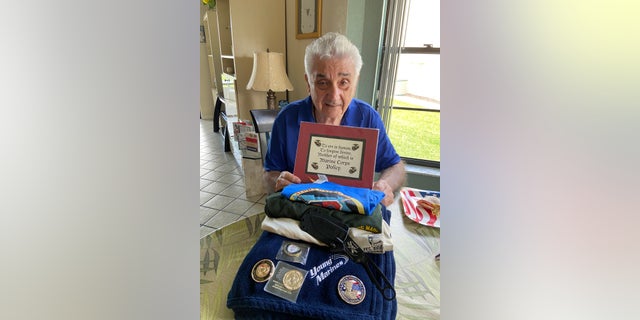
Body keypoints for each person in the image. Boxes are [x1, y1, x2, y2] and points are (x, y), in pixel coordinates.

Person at [263, 32, 405, 206]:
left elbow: (396, 166)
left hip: (353, 217)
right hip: (299, 213)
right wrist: (279, 180)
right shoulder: (287, 118)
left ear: (355, 82)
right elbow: (270, 173)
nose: (334, 96)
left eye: (344, 82)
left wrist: (385, 185)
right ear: (308, 83)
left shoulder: (367, 118)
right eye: (323, 83)